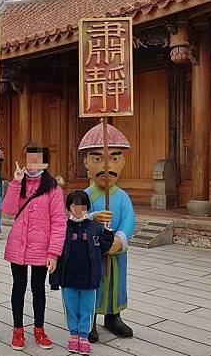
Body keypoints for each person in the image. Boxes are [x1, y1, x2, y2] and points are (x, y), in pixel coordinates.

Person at [0, 144, 66, 351]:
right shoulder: (19, 183)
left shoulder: (53, 188)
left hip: (41, 247)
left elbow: (59, 221)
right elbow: (9, 210)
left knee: (38, 289)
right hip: (18, 245)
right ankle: (18, 329)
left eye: (37, 160)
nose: (32, 164)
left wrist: (54, 253)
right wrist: (15, 182)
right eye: (30, 159)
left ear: (45, 163)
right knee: (18, 287)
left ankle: (39, 328)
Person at [79, 123, 136, 342]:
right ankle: (90, 318)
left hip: (116, 254)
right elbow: (77, 218)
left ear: (122, 161)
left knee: (115, 284)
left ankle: (114, 316)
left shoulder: (122, 197)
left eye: (114, 158)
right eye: (96, 159)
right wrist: (92, 219)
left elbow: (129, 220)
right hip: (92, 255)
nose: (106, 166)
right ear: (86, 162)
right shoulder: (85, 195)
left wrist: (120, 239)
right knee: (92, 284)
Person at [49, 190, 115, 355]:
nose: (78, 209)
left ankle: (84, 336)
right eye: (74, 205)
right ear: (68, 207)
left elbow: (104, 248)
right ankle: (73, 334)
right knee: (71, 307)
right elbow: (55, 250)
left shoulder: (94, 228)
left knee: (87, 307)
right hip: (68, 277)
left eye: (82, 206)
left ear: (88, 207)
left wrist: (107, 233)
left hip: (88, 278)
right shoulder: (62, 228)